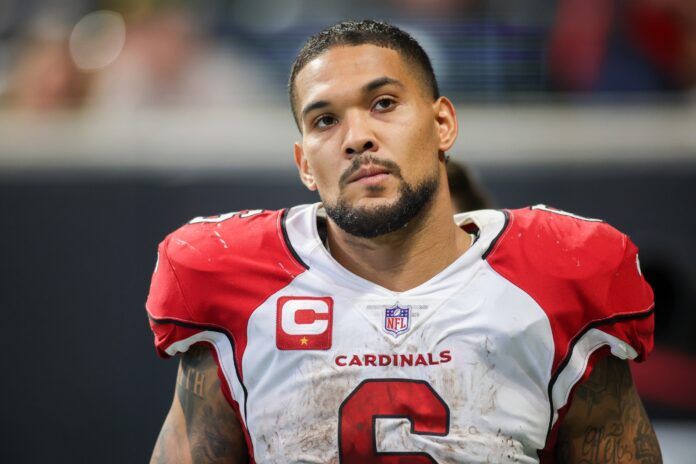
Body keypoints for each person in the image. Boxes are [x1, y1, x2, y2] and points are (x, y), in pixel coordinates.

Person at [145, 20, 661, 463]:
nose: (357, 137)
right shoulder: (231, 282)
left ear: (443, 123)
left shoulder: (556, 276)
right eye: (325, 120)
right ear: (304, 163)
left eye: (384, 103)